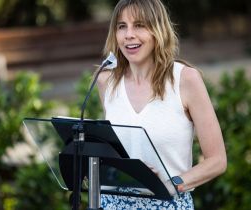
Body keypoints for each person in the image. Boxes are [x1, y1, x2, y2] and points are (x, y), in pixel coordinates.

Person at [96, 0, 227, 209]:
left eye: (139, 25)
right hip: (112, 203)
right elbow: (118, 151)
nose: (129, 34)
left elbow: (217, 160)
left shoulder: (185, 79)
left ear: (158, 31)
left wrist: (168, 186)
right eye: (122, 26)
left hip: (167, 203)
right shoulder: (106, 82)